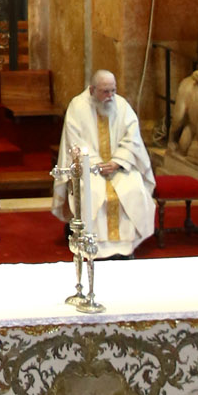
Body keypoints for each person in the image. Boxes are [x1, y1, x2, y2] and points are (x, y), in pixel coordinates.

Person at [51, 69, 156, 257]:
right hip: (89, 168)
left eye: (113, 90)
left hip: (119, 166)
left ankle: (126, 244)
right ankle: (94, 244)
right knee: (92, 192)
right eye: (105, 91)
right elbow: (74, 142)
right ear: (92, 90)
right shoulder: (77, 107)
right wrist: (96, 164)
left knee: (134, 189)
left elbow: (133, 138)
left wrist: (117, 161)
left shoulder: (122, 106)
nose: (110, 96)